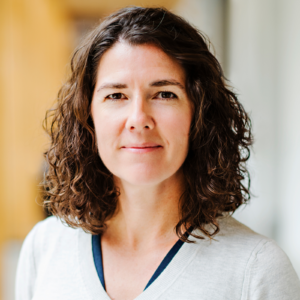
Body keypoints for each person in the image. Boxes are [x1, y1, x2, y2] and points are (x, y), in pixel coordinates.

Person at [15, 6, 300, 300]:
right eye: (116, 95)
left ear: (199, 113)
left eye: (165, 94)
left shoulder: (256, 270)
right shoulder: (45, 247)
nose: (139, 118)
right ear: (88, 116)